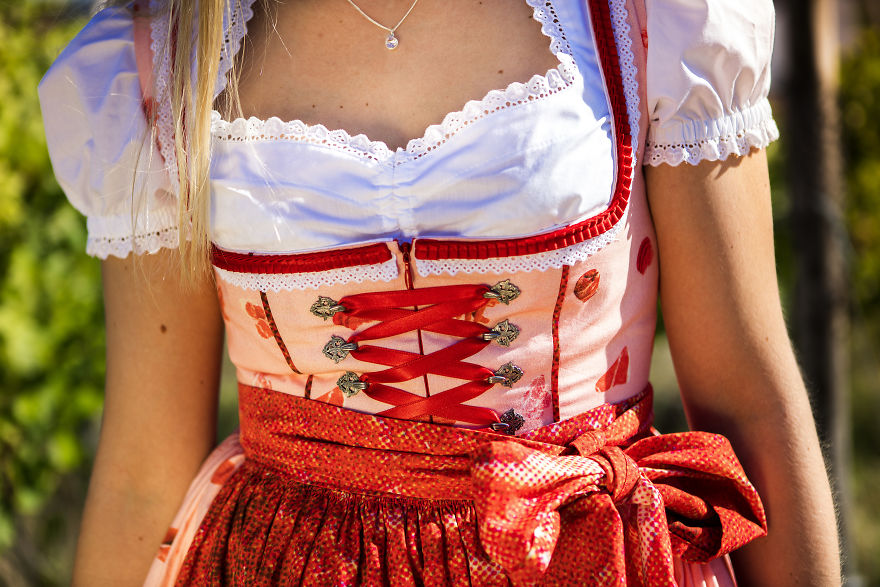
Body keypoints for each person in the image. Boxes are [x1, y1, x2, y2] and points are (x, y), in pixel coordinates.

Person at [39, 0, 840, 584]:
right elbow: (146, 465)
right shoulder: (165, 54)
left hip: (589, 557)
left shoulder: (650, 19)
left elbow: (746, 391)